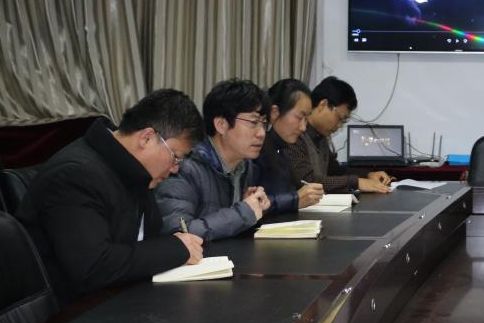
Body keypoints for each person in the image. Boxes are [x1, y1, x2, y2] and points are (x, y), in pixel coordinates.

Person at [17, 89, 205, 304]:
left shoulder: (135, 170)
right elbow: (94, 267)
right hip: (73, 313)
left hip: (123, 300)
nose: (175, 169)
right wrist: (175, 248)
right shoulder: (75, 175)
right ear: (147, 138)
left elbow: (144, 240)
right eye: (176, 157)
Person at [156, 79, 272, 240]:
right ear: (221, 125)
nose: (261, 133)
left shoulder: (246, 166)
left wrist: (252, 207)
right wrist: (243, 213)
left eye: (264, 123)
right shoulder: (184, 166)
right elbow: (179, 234)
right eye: (253, 122)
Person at [285, 76, 393, 194]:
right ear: (323, 104)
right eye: (341, 118)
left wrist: (368, 175)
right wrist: (356, 182)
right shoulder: (294, 135)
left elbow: (336, 171)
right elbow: (308, 181)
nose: (340, 125)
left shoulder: (320, 137)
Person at [257, 78, 324, 213]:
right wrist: (295, 199)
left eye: (306, 119)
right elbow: (253, 203)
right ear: (275, 112)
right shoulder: (257, 148)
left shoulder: (280, 147)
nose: (303, 127)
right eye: (299, 117)